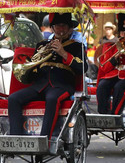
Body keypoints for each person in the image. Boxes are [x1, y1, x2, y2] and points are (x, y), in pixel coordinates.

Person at [7, 12, 86, 154]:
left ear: (69, 29)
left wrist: (63, 53)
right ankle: (16, 140)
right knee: (13, 98)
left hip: (61, 85)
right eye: (57, 26)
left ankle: (44, 141)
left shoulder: (77, 47)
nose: (60, 30)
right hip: (39, 85)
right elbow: (34, 70)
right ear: (53, 28)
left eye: (64, 26)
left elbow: (83, 68)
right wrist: (29, 68)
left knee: (52, 98)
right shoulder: (42, 45)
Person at [96, 14, 125, 115]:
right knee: (102, 85)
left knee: (119, 87)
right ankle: (103, 113)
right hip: (112, 74)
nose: (124, 34)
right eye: (122, 32)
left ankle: (115, 114)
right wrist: (114, 60)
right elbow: (104, 69)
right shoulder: (111, 46)